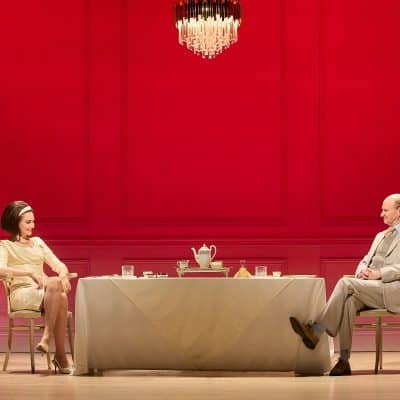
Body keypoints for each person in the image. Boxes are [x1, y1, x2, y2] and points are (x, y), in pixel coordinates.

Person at [290, 193, 400, 376]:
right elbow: (366, 259)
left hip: (392, 290)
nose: (381, 214)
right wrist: (362, 271)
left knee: (345, 283)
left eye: (385, 210)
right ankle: (343, 360)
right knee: (349, 302)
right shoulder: (381, 235)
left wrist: (379, 273)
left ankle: (316, 330)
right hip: (372, 287)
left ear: (399, 211)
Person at [0, 200, 73, 374]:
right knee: (61, 296)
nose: (32, 226)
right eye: (28, 222)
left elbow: (59, 265)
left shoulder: (38, 242)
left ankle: (47, 340)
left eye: (33, 221)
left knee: (56, 284)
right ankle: (60, 355)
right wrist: (28, 273)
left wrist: (64, 275)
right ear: (15, 222)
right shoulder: (5, 246)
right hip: (21, 293)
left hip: (44, 291)